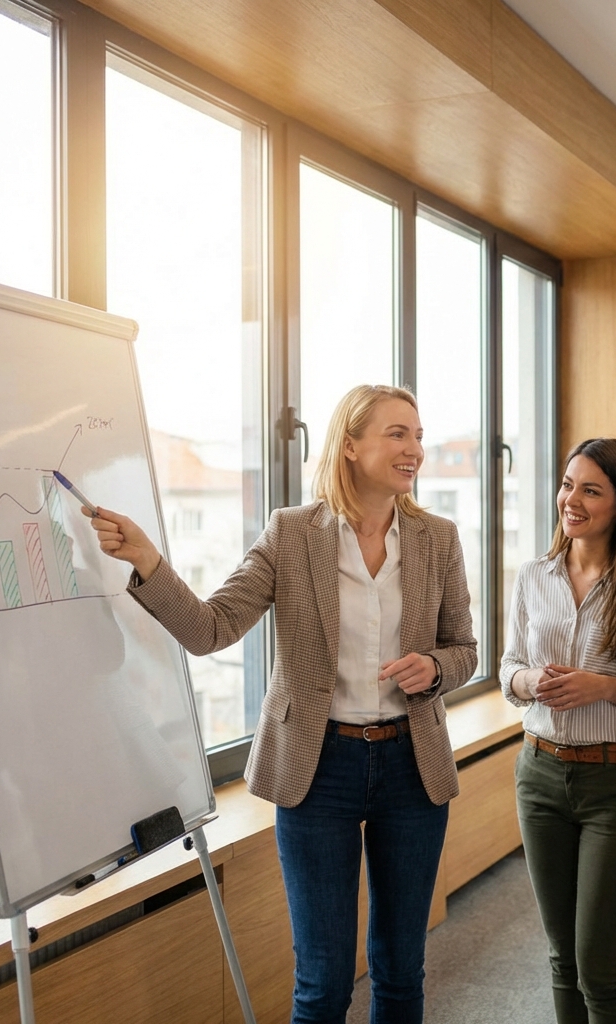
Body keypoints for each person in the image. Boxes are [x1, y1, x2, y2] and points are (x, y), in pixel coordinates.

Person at [88, 384, 477, 1024]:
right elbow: (210, 629)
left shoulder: (438, 537)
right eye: (397, 434)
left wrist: (435, 667)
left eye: (418, 436)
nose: (414, 449)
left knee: (401, 970)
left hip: (413, 766)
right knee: (323, 981)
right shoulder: (293, 534)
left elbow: (463, 648)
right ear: (349, 445)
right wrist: (147, 560)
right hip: (318, 768)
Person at [501, 437, 616, 1024]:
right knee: (562, 959)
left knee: (598, 966)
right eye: (567, 485)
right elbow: (507, 670)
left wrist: (602, 686)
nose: (571, 500)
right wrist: (530, 680)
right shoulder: (533, 576)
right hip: (539, 775)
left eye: (591, 490)